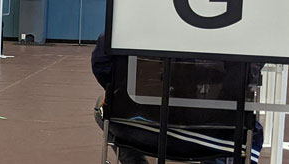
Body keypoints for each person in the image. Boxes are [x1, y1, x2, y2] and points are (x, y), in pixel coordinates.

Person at [90, 34, 263, 164]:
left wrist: (119, 92)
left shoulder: (133, 22)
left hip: (138, 127)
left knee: (105, 108)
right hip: (212, 136)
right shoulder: (235, 30)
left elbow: (101, 62)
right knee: (247, 128)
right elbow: (243, 79)